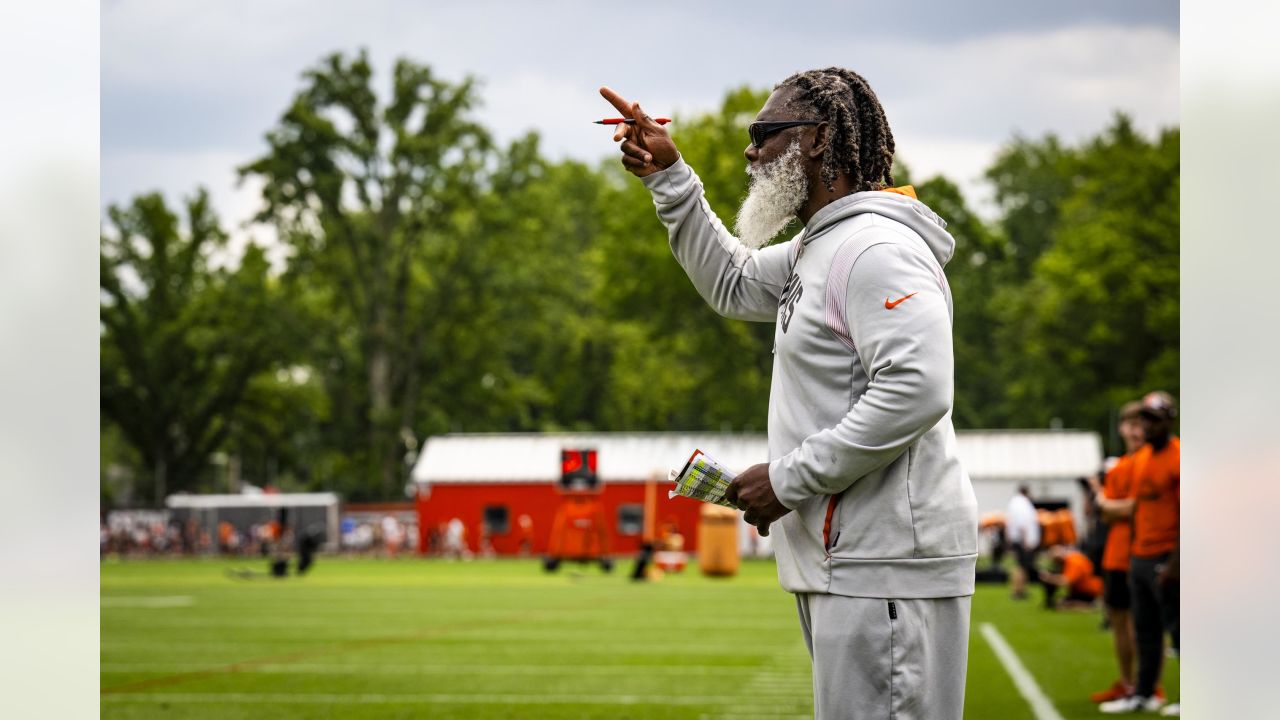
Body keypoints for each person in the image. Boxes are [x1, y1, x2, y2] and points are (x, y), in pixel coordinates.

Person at [602, 68, 978, 719]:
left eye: (763, 133)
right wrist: (670, 176)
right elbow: (731, 280)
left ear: (816, 138)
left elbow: (917, 390)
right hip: (854, 564)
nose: (750, 152)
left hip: (885, 565)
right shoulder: (820, 246)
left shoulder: (875, 248)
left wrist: (788, 480)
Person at [1098, 391, 1180, 715]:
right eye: (1144, 419)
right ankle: (1143, 693)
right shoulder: (1141, 459)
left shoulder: (1178, 458)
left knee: (1181, 631)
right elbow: (1137, 509)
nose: (1147, 426)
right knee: (1145, 630)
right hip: (1140, 555)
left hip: (1168, 554)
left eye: (1154, 420)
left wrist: (1177, 560)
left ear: (1168, 421)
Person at [1089, 401, 1149, 703]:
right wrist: (1109, 505)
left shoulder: (1149, 462)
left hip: (1142, 552)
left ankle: (1147, 685)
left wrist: (1104, 502)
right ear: (1121, 428)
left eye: (1141, 424)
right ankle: (1129, 683)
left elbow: (1135, 507)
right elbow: (1111, 512)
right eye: (1131, 424)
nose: (1135, 430)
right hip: (1116, 552)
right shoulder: (1121, 466)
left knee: (1145, 624)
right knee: (1120, 621)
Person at [1005, 484, 1041, 600]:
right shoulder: (1021, 504)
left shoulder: (1015, 503)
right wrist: (1025, 540)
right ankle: (1018, 591)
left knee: (1022, 566)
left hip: (1019, 539)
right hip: (1022, 540)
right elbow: (1022, 523)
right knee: (1021, 566)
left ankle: (1021, 590)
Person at [1039, 544, 1103, 609]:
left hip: (1088, 591)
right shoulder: (1072, 559)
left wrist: (1049, 578)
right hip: (1080, 590)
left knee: (1061, 604)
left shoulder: (1073, 561)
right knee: (1059, 601)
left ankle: (1091, 605)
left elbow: (1065, 581)